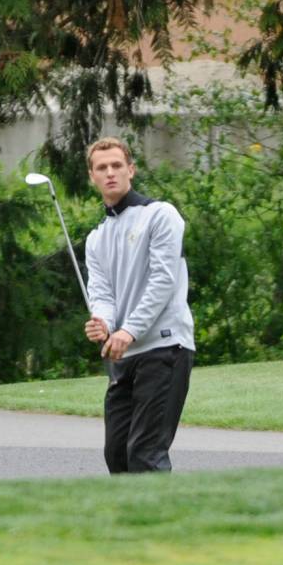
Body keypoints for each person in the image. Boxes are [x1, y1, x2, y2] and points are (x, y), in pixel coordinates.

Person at [83, 136, 195, 474]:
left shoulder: (160, 215)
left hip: (164, 347)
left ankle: (158, 526)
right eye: (102, 168)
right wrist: (102, 322)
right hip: (124, 356)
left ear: (131, 170)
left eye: (117, 165)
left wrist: (128, 330)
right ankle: (129, 525)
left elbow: (163, 281)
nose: (110, 172)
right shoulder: (96, 237)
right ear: (93, 177)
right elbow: (102, 293)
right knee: (117, 454)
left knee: (145, 454)